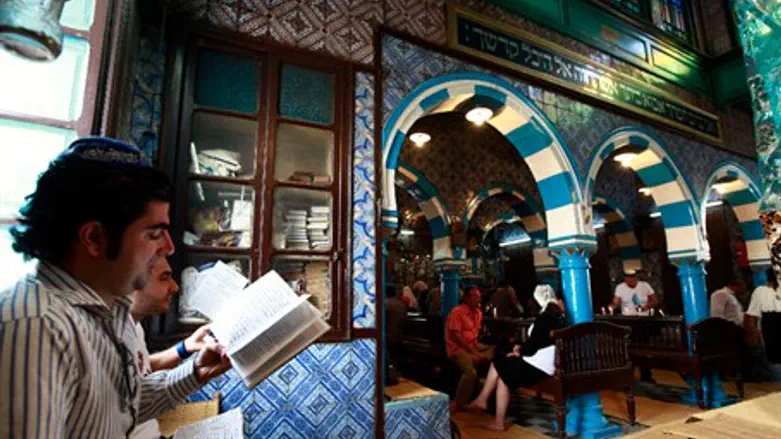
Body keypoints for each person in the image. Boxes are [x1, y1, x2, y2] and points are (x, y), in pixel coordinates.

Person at [0, 137, 231, 438]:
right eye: (154, 233)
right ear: (94, 238)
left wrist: (195, 372)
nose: (169, 247)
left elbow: (121, 409)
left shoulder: (109, 309)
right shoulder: (37, 325)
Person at [127, 258, 214, 438]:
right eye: (164, 278)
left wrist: (184, 347)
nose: (174, 287)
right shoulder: (106, 335)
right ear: (134, 283)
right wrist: (195, 372)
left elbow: (141, 366)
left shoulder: (134, 326)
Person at [466, 285, 566, 431]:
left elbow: (534, 344)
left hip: (540, 366)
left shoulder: (546, 316)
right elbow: (539, 343)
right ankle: (493, 415)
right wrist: (521, 350)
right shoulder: (557, 314)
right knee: (503, 369)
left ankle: (484, 402)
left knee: (499, 363)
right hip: (549, 362)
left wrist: (520, 351)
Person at [445, 287, 494, 412]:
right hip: (458, 348)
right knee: (470, 373)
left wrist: (478, 350)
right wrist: (474, 353)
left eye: (479, 296)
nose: (479, 299)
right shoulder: (457, 312)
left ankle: (485, 397)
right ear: (467, 298)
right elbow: (456, 337)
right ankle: (458, 403)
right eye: (476, 296)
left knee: (497, 350)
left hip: (474, 346)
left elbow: (476, 335)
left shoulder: (478, 312)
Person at [744, 274, 781, 380]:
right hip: (771, 328)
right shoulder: (760, 291)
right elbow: (751, 316)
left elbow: (751, 315)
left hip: (770, 327)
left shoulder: (760, 291)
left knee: (774, 362)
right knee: (775, 361)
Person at [384, 284, 408, 386]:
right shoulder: (401, 305)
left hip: (386, 336)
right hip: (399, 336)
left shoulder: (383, 304)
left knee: (387, 359)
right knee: (396, 358)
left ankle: (389, 377)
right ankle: (397, 376)